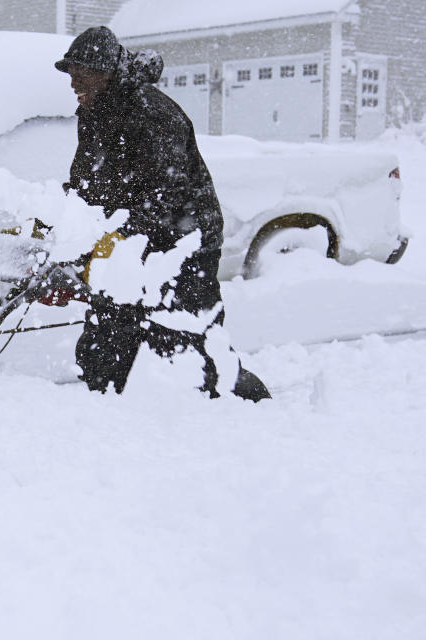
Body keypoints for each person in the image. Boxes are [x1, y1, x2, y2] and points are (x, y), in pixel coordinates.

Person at [55, 26, 270, 401]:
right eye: (70, 75)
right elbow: (85, 180)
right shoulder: (91, 112)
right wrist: (67, 220)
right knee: (106, 336)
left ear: (105, 71)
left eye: (81, 74)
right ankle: (103, 402)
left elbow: (166, 192)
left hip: (184, 243)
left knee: (186, 340)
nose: (74, 83)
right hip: (131, 242)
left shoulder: (152, 112)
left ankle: (241, 405)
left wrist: (119, 236)